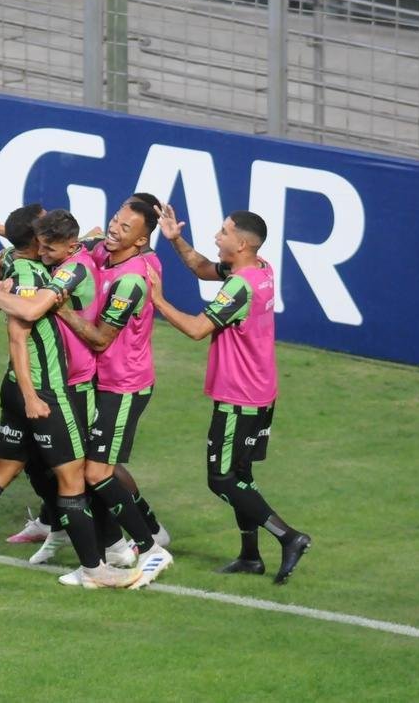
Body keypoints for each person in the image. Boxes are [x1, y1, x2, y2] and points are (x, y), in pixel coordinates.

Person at [0, 205, 141, 590]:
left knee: (3, 468)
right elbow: (20, 331)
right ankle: (95, 568)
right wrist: (32, 396)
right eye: (42, 242)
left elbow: (75, 237)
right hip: (43, 389)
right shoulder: (36, 273)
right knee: (73, 476)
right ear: (36, 242)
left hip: (14, 384)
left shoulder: (11, 259)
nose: (47, 251)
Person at [149, 207, 311, 583]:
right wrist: (175, 239)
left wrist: (158, 300)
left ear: (240, 243)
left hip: (239, 396)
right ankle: (250, 556)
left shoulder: (241, 286)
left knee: (221, 479)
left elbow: (195, 328)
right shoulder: (260, 269)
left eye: (223, 232)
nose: (216, 237)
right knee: (241, 476)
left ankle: (289, 537)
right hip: (260, 391)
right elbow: (203, 268)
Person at [50, 199, 174, 587]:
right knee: (96, 469)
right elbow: (71, 241)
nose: (114, 228)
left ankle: (151, 547)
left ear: (141, 241)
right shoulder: (103, 249)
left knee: (97, 472)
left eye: (125, 227)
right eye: (116, 220)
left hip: (124, 385)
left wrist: (61, 308)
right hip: (99, 382)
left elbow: (103, 338)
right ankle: (107, 555)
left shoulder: (132, 280)